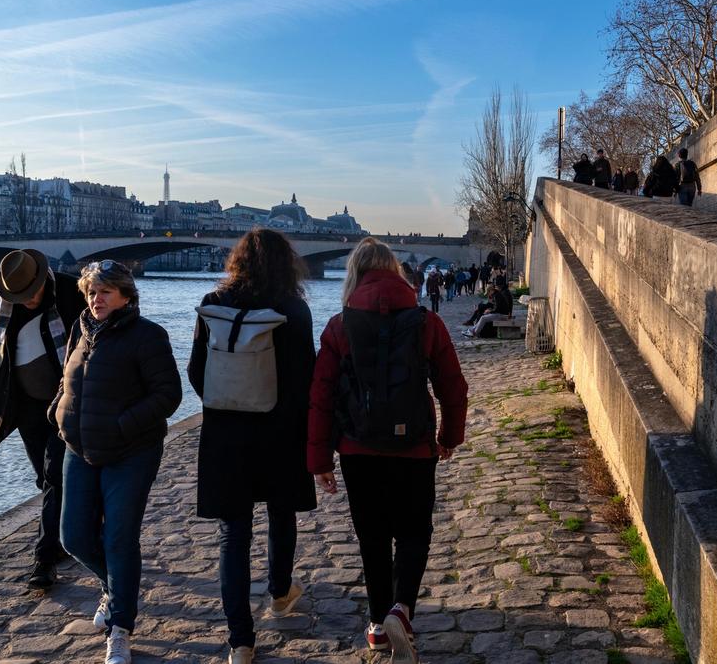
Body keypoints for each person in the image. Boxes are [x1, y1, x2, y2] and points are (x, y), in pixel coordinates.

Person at [308, 238, 468, 663]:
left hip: (357, 449)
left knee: (372, 537)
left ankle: (378, 626)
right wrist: (449, 436)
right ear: (396, 272)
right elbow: (453, 387)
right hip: (414, 447)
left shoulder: (339, 326)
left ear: (354, 274)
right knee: (415, 531)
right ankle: (402, 608)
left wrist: (320, 460)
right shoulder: (426, 322)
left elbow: (321, 397)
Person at [187, 229, 317, 664]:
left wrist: (229, 401)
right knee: (281, 514)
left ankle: (240, 641)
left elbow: (196, 372)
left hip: (226, 434)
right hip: (280, 430)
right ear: (286, 264)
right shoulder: (293, 310)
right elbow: (307, 377)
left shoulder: (214, 304)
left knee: (233, 535)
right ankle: (280, 593)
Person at [50, 260, 182, 664]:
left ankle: (121, 627)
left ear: (126, 295)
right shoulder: (80, 328)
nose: (96, 298)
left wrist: (123, 425)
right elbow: (67, 377)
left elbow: (168, 395)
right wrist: (58, 411)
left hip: (130, 452)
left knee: (119, 538)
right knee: (73, 537)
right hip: (80, 446)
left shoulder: (148, 336)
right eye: (91, 292)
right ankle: (115, 587)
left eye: (105, 291)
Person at [0, 248, 85, 590]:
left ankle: (44, 559)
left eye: (31, 292)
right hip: (24, 406)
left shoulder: (72, 292)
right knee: (45, 480)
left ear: (42, 280)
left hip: (68, 402)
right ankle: (66, 537)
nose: (28, 300)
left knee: (55, 478)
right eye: (19, 295)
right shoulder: (0, 305)